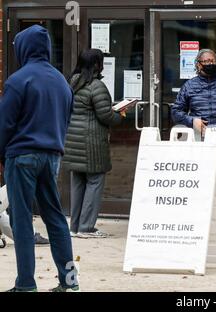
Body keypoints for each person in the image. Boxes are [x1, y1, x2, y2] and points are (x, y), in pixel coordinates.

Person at [0, 25, 79, 292]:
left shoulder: (18, 80)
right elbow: (66, 121)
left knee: (21, 220)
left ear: (23, 48)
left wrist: (2, 156)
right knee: (55, 218)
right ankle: (69, 282)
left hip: (21, 156)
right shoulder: (61, 82)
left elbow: (4, 125)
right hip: (52, 155)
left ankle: (25, 284)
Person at [171, 49, 216, 231]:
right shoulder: (189, 86)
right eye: (206, 61)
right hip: (199, 139)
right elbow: (175, 112)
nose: (210, 63)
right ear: (198, 64)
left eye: (213, 60)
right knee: (199, 180)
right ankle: (199, 220)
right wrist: (191, 121)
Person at [62, 49, 127, 239]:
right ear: (97, 65)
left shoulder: (71, 82)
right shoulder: (96, 86)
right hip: (91, 143)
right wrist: (120, 115)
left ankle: (75, 226)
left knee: (78, 183)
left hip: (72, 141)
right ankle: (86, 227)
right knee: (95, 182)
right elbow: (105, 115)